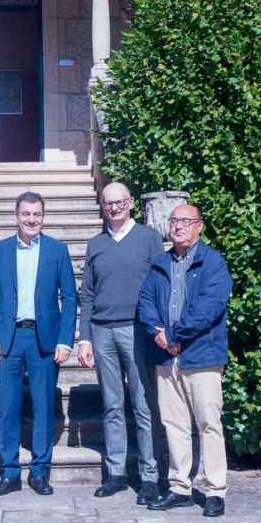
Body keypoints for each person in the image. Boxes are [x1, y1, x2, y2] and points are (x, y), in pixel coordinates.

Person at [137, 203, 233, 518]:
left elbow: (210, 307)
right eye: (174, 220)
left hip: (201, 355)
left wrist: (174, 335)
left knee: (209, 424)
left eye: (186, 221)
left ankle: (214, 490)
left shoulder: (213, 262)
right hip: (166, 357)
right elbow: (145, 301)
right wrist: (158, 333)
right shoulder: (159, 264)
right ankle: (179, 487)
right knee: (174, 424)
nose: (178, 226)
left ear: (199, 226)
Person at [0, 191, 77, 497]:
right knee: (8, 408)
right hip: (9, 339)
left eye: (37, 214)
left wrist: (66, 340)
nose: (31, 220)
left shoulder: (57, 250)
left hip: (43, 340)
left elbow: (70, 298)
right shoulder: (0, 251)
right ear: (16, 215)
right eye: (26, 214)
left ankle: (39, 472)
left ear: (43, 217)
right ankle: (9, 473)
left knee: (43, 407)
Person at [76, 182, 164, 504]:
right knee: (112, 405)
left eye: (119, 201)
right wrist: (84, 338)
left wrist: (158, 328)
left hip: (137, 330)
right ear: (102, 206)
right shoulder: (96, 244)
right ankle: (116, 473)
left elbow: (161, 284)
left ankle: (150, 476)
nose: (114, 207)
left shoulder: (149, 239)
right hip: (102, 331)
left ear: (130, 203)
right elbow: (87, 294)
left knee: (143, 405)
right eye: (108, 202)